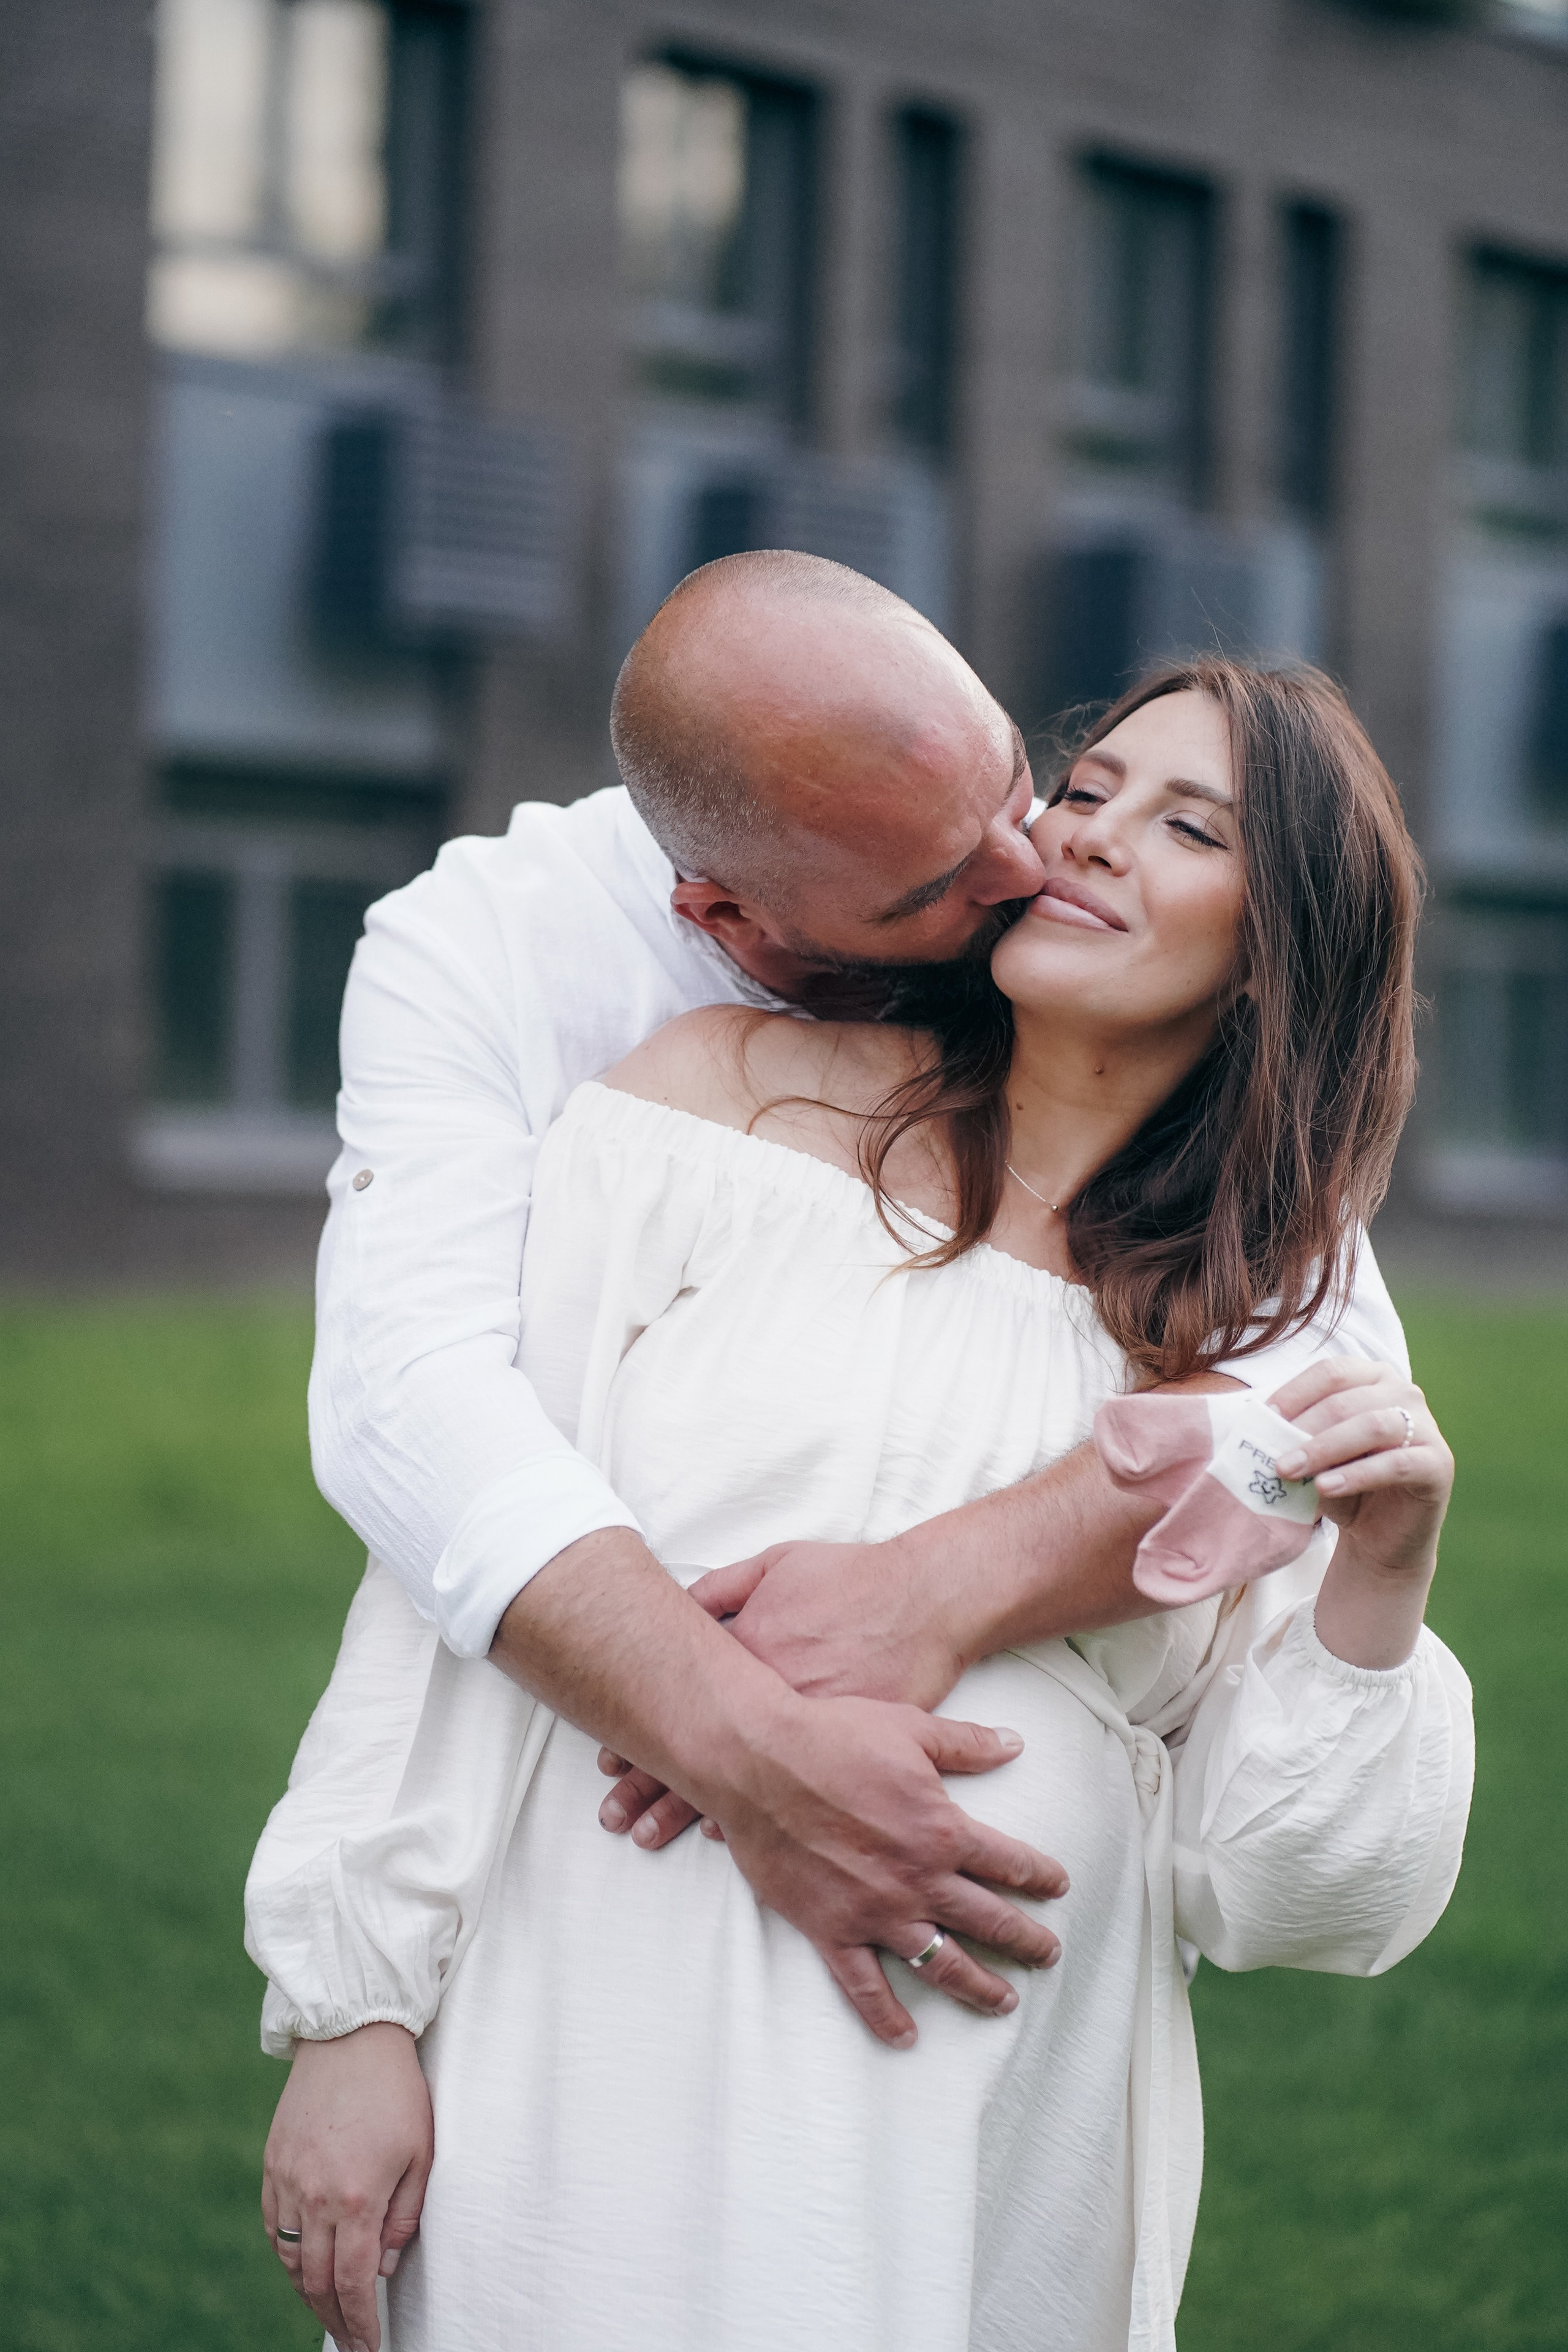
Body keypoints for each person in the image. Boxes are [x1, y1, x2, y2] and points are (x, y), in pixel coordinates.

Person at [247, 643, 1472, 2352]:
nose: (1097, 836)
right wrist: (352, 2007)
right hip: (596, 1991)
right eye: (1092, 790)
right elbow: (459, 1539)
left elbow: (1292, 1900)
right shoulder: (709, 1100)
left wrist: (1384, 1582)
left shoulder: (1265, 1325)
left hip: (989, 2082)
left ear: (1280, 961)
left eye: (1191, 829)